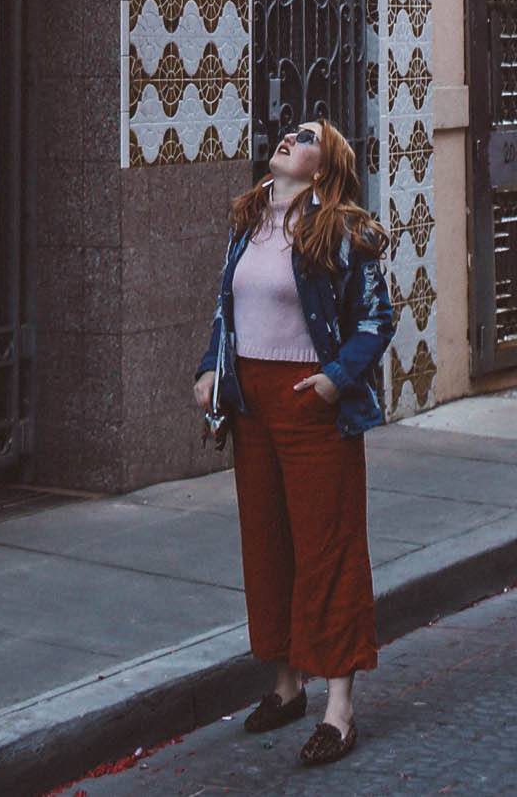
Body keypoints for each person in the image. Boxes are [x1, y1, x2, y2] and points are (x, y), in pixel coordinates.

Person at [194, 116, 397, 767]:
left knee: (327, 547)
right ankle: (286, 685)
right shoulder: (250, 221)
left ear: (325, 166)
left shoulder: (342, 230)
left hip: (310, 403)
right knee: (270, 543)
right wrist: (209, 367)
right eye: (289, 133)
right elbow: (227, 308)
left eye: (307, 137)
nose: (290, 139)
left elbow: (376, 317)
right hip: (252, 404)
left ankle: (339, 705)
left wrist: (338, 380)